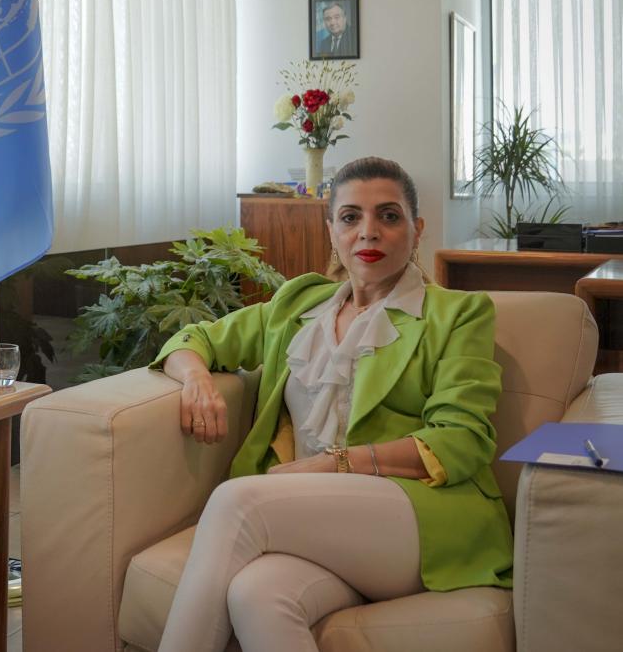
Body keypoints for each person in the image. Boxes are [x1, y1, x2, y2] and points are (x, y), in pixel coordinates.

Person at [152, 156, 510, 651]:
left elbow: (462, 440)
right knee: (256, 594)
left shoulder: (459, 314)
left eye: (389, 216)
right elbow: (195, 339)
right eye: (350, 217)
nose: (368, 232)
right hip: (318, 519)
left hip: (420, 515)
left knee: (237, 500)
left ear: (417, 229)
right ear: (331, 232)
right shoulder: (299, 305)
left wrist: (333, 464)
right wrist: (195, 379)